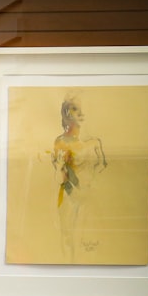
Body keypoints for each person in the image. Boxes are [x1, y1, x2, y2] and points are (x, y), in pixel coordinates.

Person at [50, 95, 107, 261]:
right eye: (75, 109)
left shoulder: (94, 142)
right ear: (67, 113)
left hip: (89, 197)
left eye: (83, 109)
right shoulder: (60, 142)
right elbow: (60, 178)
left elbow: (103, 165)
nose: (81, 113)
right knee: (68, 237)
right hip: (69, 197)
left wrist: (92, 179)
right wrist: (60, 166)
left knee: (88, 241)